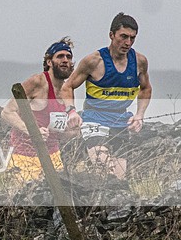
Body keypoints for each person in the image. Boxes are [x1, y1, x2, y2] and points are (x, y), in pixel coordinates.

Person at [59, 13, 152, 179]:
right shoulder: (94, 61)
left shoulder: (139, 62)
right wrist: (71, 111)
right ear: (111, 35)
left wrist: (139, 115)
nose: (127, 43)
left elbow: (145, 89)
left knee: (119, 178)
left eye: (132, 38)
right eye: (123, 37)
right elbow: (67, 87)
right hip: (94, 119)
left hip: (121, 121)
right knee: (104, 170)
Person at [1, 37, 76, 181]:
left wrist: (73, 130)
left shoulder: (67, 90)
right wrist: (32, 131)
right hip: (25, 156)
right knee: (24, 202)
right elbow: (7, 112)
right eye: (60, 56)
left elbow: (62, 134)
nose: (65, 60)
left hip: (54, 157)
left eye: (69, 57)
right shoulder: (38, 82)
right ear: (49, 62)